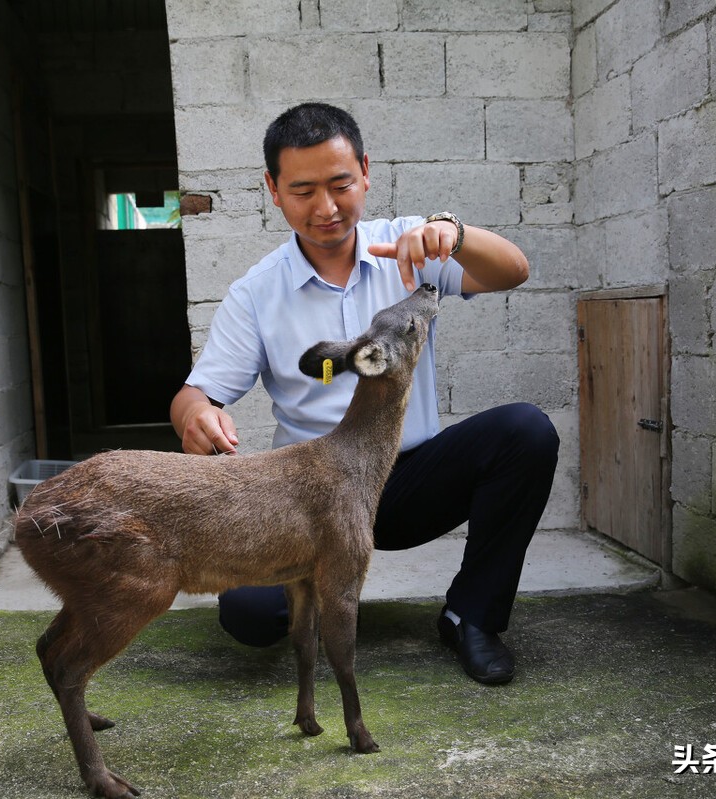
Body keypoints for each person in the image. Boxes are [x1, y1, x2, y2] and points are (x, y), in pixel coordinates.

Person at [169, 102, 559, 685]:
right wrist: (196, 417)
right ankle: (318, 590)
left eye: (340, 184)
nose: (325, 208)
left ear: (366, 173)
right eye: (302, 190)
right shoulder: (256, 293)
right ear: (273, 190)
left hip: (409, 478)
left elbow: (513, 271)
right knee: (250, 617)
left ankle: (471, 617)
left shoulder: (410, 247)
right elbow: (195, 394)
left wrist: (452, 234)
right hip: (309, 493)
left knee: (526, 433)